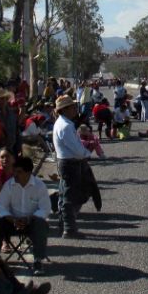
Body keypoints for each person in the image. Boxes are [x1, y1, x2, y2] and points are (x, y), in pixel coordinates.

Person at [0, 157, 52, 276]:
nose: (15, 175)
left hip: (31, 222)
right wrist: (12, 219)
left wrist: (30, 218)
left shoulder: (39, 186)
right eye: (14, 171)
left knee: (41, 223)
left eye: (19, 172)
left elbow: (45, 208)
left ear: (28, 173)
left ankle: (38, 260)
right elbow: (0, 206)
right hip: (12, 222)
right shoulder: (9, 185)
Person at [52, 95, 92, 239]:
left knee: (66, 194)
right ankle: (69, 228)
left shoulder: (63, 123)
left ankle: (65, 225)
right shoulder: (66, 126)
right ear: (65, 109)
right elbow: (75, 148)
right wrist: (87, 153)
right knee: (71, 196)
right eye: (72, 107)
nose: (75, 109)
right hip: (70, 163)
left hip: (67, 162)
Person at [0, 88, 19, 155]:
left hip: (11, 149)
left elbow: (16, 131)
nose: (0, 101)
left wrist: (19, 147)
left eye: (2, 98)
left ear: (6, 99)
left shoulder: (11, 114)